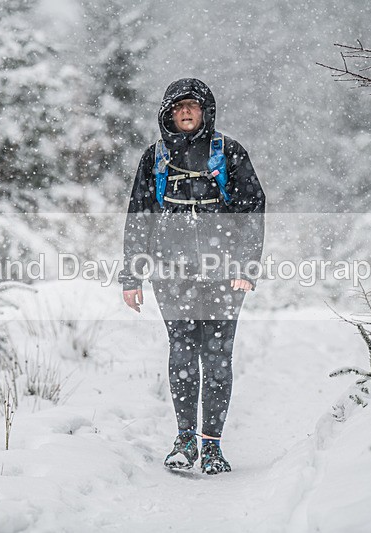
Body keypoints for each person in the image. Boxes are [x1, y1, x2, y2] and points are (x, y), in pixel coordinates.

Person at [119, 78, 265, 475]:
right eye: (178, 106)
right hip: (171, 273)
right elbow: (139, 217)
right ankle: (184, 439)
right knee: (183, 349)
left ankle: (213, 445)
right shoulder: (155, 158)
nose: (186, 111)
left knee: (217, 355)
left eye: (193, 106)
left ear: (206, 112)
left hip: (223, 273)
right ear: (168, 113)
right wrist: (131, 275)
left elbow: (252, 209)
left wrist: (246, 266)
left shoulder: (229, 152)